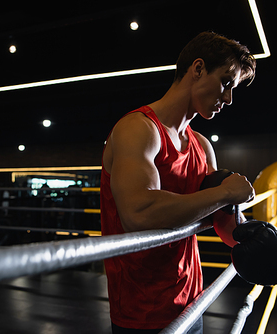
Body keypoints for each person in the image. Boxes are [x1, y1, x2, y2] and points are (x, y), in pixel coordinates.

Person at [100, 31, 257, 333]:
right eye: (226, 82)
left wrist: (254, 236)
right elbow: (139, 213)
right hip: (141, 311)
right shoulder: (138, 129)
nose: (228, 98)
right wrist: (225, 192)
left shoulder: (201, 145)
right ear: (197, 69)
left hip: (191, 302)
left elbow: (220, 222)